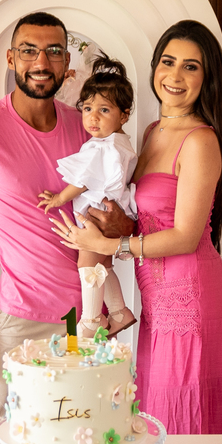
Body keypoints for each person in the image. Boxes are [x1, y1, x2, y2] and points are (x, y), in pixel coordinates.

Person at [51, 20, 222, 444]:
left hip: (193, 297)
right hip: (156, 300)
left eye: (190, 66)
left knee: (190, 428)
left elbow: (185, 235)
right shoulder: (151, 132)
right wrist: (108, 225)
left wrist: (111, 244)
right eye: (167, 62)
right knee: (158, 420)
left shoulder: (201, 140)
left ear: (207, 77)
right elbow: (145, 215)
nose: (175, 76)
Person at [0, 12, 132, 433]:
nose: (41, 62)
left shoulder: (89, 128)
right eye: (29, 50)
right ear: (11, 58)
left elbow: (118, 211)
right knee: (5, 440)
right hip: (21, 320)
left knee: (81, 441)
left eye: (53, 51)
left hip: (87, 319)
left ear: (66, 63)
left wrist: (123, 225)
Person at [37, 56, 139, 339]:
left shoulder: (102, 147)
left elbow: (83, 180)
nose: (93, 117)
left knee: (88, 265)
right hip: (111, 211)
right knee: (103, 265)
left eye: (104, 110)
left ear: (124, 115)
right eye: (88, 108)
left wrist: (59, 198)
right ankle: (119, 312)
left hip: (95, 216)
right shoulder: (120, 142)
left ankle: (92, 320)